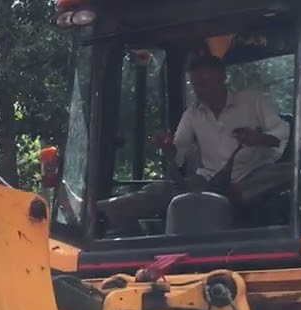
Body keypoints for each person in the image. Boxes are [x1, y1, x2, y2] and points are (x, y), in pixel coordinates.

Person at [97, 52, 290, 235]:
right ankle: (95, 213)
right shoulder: (192, 114)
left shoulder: (251, 101)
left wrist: (259, 138)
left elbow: (281, 130)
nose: (202, 90)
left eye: (207, 82)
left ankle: (238, 192)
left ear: (222, 77)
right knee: (160, 190)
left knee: (292, 171)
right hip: (210, 180)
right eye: (197, 85)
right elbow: (179, 152)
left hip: (254, 174)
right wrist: (167, 147)